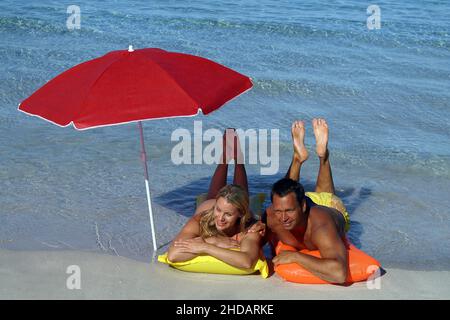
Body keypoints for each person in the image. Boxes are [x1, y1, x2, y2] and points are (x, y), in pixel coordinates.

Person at [263, 118, 351, 284]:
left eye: (288, 212)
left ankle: (323, 156)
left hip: (330, 207)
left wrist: (297, 256)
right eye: (278, 212)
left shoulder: (321, 226)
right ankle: (298, 158)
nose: (283, 218)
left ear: (303, 206)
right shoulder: (271, 216)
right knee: (285, 193)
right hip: (297, 202)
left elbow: (339, 274)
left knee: (326, 195)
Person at [167, 129, 264, 270]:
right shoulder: (201, 221)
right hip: (208, 205)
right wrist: (213, 241)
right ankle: (225, 157)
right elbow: (173, 255)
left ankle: (238, 159)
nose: (221, 218)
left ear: (241, 214)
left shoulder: (249, 228)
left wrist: (205, 246)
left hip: (234, 206)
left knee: (241, 195)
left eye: (228, 214)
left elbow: (247, 262)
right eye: (219, 210)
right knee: (214, 197)